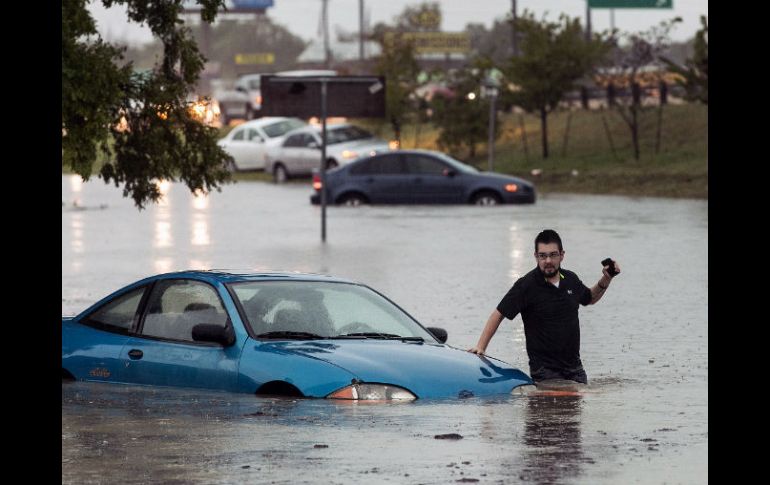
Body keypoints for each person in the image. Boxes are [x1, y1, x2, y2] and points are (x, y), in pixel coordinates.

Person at [468, 229, 620, 384]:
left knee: (576, 407)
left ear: (562, 255)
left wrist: (606, 278)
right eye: (543, 256)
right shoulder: (526, 285)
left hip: (576, 370)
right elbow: (498, 314)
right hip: (545, 373)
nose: (548, 260)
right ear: (536, 256)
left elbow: (589, 298)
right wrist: (481, 347)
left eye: (553, 255)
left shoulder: (570, 279)